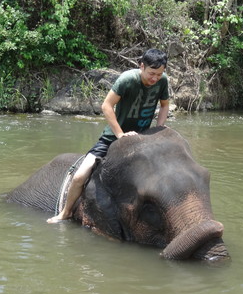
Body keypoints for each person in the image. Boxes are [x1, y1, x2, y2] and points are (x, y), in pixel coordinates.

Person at [47, 48, 170, 223]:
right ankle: (65, 212)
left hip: (143, 138)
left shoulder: (162, 81)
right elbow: (106, 105)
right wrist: (120, 135)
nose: (155, 78)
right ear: (141, 66)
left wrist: (158, 129)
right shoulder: (128, 79)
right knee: (80, 176)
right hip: (113, 138)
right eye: (151, 73)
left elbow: (164, 105)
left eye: (159, 74)